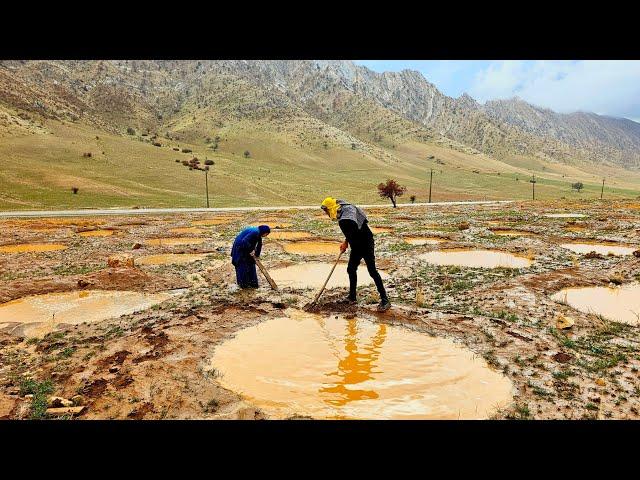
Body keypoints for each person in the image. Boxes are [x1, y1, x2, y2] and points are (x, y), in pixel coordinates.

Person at [321, 197, 391, 311]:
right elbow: (350, 232)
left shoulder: (347, 214)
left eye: (326, 211)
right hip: (356, 244)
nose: (326, 214)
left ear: (331, 208)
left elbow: (353, 228)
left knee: (372, 271)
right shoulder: (341, 212)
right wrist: (346, 242)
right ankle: (352, 297)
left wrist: (346, 243)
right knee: (351, 269)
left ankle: (385, 300)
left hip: (366, 243)